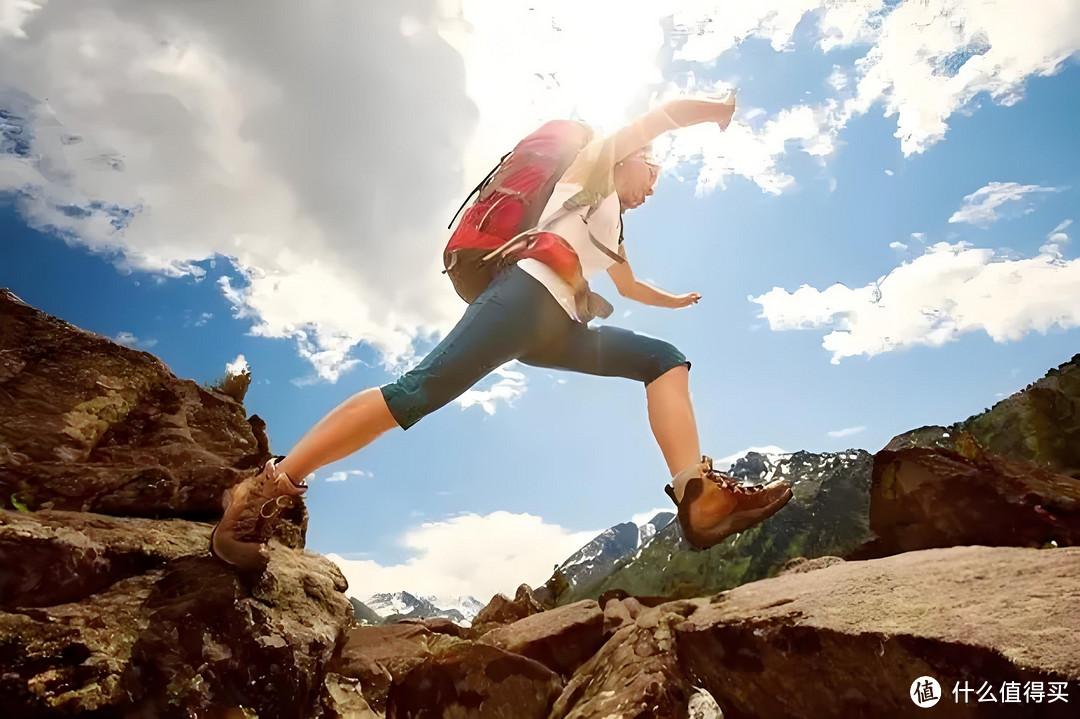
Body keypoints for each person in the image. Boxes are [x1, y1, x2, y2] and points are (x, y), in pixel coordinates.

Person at [210, 93, 793, 573]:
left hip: (553, 327)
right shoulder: (591, 168)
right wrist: (713, 109)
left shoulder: (609, 219)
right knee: (415, 393)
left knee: (664, 359)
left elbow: (631, 285)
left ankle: (699, 498)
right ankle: (264, 487)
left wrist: (677, 299)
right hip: (521, 299)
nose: (655, 184)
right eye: (654, 168)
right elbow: (657, 116)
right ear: (628, 157)